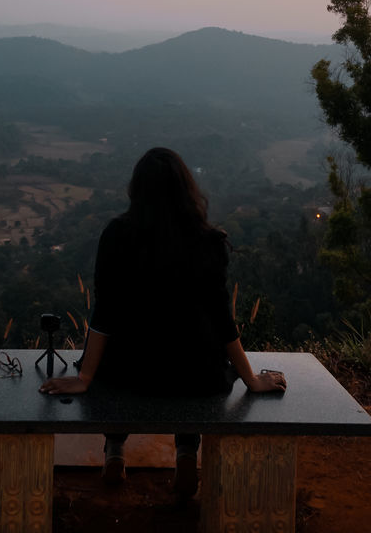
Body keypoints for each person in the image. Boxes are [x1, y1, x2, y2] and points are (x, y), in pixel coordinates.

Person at [39, 147, 285, 498]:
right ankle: (186, 451)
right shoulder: (209, 241)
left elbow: (104, 313)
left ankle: (114, 450)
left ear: (135, 190)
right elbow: (221, 319)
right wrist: (251, 380)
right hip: (196, 376)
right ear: (186, 189)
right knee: (198, 353)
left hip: (130, 373)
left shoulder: (116, 236)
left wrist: (85, 377)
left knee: (116, 361)